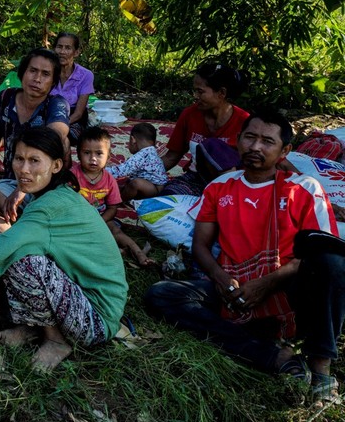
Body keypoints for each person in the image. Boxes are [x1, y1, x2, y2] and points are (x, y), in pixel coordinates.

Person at [145, 111, 344, 403]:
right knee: (162, 295)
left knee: (334, 261)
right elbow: (201, 246)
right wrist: (222, 279)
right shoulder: (220, 187)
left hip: (288, 288)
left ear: (284, 151)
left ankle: (320, 363)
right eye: (250, 137)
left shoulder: (304, 189)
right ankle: (274, 356)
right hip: (235, 291)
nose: (256, 147)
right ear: (238, 141)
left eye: (267, 141)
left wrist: (265, 284)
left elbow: (316, 255)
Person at [0, 127, 128, 372]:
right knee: (22, 250)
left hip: (96, 320)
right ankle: (32, 328)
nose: (24, 170)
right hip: (84, 300)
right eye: (19, 158)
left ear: (56, 166)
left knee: (21, 260)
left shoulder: (49, 207)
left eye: (35, 161)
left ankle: (56, 340)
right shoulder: (52, 195)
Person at [0, 48, 70, 234]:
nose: (37, 79)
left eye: (45, 74)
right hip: (13, 179)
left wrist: (23, 189)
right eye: (32, 71)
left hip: (44, 182)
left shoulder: (56, 104)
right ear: (22, 74)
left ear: (53, 82)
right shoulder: (6, 98)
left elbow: (58, 133)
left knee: (63, 142)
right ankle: (10, 238)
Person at [161, 62, 249, 196]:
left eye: (200, 91)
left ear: (222, 93)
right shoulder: (189, 115)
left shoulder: (244, 122)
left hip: (230, 184)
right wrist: (146, 174)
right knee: (168, 199)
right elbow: (172, 156)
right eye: (195, 90)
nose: (195, 96)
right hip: (194, 179)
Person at [72, 127, 154, 268]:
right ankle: (115, 252)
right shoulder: (73, 176)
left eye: (99, 154)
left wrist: (99, 221)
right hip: (77, 218)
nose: (93, 159)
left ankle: (139, 253)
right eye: (86, 153)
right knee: (79, 237)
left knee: (115, 231)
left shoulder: (109, 179)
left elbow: (113, 207)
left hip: (102, 217)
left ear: (108, 157)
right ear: (78, 155)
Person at [49, 32, 94, 143]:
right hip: (51, 113)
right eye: (59, 47)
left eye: (68, 48)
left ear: (76, 52)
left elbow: (79, 113)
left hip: (74, 118)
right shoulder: (48, 72)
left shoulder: (86, 75)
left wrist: (59, 125)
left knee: (62, 136)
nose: (62, 52)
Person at [106, 122, 168, 200]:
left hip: (156, 190)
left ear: (133, 140)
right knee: (129, 181)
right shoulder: (151, 151)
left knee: (135, 183)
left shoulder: (141, 155)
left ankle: (118, 200)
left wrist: (102, 171)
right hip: (155, 186)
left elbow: (121, 171)